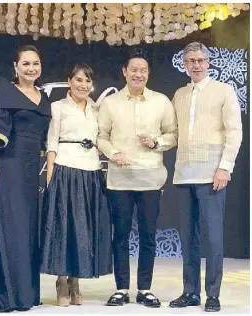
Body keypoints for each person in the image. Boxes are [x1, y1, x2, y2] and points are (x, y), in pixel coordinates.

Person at [0, 45, 51, 312]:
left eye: (35, 63)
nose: (31, 68)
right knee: (11, 230)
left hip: (29, 174)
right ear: (15, 67)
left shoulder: (43, 97)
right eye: (25, 64)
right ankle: (7, 294)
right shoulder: (6, 93)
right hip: (9, 169)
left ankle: (25, 294)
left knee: (27, 231)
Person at [97, 48, 177, 308]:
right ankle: (121, 289)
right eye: (133, 69)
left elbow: (173, 135)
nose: (138, 74)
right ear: (124, 72)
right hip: (119, 179)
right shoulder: (110, 103)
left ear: (148, 73)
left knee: (148, 235)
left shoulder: (161, 101)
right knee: (119, 235)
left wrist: (155, 142)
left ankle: (145, 288)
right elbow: (101, 136)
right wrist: (113, 153)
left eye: (143, 70)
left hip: (151, 179)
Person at [169, 42, 242, 312]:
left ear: (208, 63)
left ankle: (213, 294)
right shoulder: (179, 94)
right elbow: (175, 134)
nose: (196, 65)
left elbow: (234, 131)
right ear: (185, 65)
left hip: (212, 174)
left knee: (212, 238)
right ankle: (190, 292)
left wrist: (225, 167)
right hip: (183, 175)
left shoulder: (223, 91)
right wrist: (155, 142)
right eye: (191, 61)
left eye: (200, 60)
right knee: (188, 239)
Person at [40, 64, 112, 307]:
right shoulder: (57, 107)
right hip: (64, 169)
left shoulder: (96, 108)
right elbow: (52, 143)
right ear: (69, 81)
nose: (83, 85)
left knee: (84, 228)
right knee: (64, 226)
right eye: (79, 80)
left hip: (91, 171)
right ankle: (61, 281)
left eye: (87, 81)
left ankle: (76, 280)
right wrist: (51, 176)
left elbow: (103, 139)